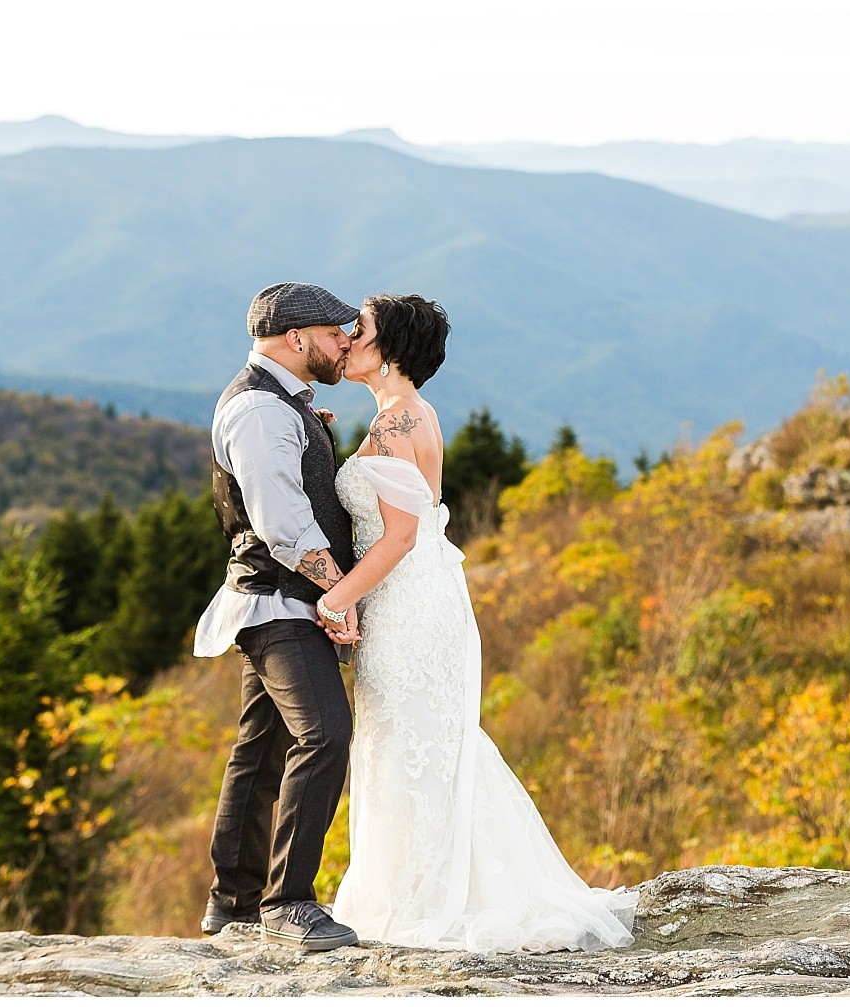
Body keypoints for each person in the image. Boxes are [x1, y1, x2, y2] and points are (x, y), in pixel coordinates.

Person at [318, 293, 639, 953]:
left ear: (391, 347)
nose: (348, 340)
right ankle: (417, 883)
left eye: (361, 330)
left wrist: (334, 599)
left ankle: (424, 895)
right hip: (416, 599)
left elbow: (399, 536)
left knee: (412, 741)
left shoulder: (396, 425)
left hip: (409, 606)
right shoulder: (406, 415)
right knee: (416, 740)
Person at [192, 281, 363, 951]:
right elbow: (284, 524)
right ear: (296, 338)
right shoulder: (260, 411)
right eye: (333, 333)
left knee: (261, 750)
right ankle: (288, 900)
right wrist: (339, 593)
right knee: (325, 735)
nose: (344, 343)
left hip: (274, 600)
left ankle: (230, 901)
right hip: (280, 602)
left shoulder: (279, 405)